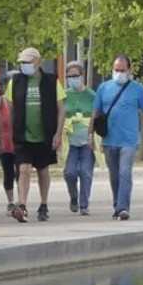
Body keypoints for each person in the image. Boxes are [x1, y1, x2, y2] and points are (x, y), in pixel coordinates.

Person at [90, 55, 143, 220]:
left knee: (125, 173)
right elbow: (95, 113)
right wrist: (90, 135)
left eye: (122, 70)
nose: (119, 73)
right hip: (109, 140)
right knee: (114, 175)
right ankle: (117, 205)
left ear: (129, 70)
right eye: (116, 70)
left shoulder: (138, 89)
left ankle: (123, 207)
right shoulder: (104, 88)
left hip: (128, 140)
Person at [6, 47, 65, 223]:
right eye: (22, 63)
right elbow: (10, 108)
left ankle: (43, 204)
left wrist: (58, 132)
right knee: (23, 169)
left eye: (28, 62)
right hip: (24, 134)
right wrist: (12, 130)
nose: (24, 66)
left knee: (43, 171)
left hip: (45, 134)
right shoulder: (15, 81)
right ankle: (22, 206)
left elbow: (61, 107)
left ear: (38, 62)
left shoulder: (51, 81)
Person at [62, 60, 97, 215]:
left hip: (87, 142)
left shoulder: (91, 95)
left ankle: (84, 204)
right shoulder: (65, 95)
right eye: (69, 76)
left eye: (75, 75)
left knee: (85, 173)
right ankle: (74, 196)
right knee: (70, 173)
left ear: (82, 76)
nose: (72, 79)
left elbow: (97, 116)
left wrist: (93, 136)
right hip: (70, 142)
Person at [0, 74, 18, 215]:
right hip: (5, 141)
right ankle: (10, 201)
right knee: (8, 171)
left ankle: (22, 201)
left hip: (20, 140)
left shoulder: (22, 101)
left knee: (21, 171)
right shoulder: (0, 102)